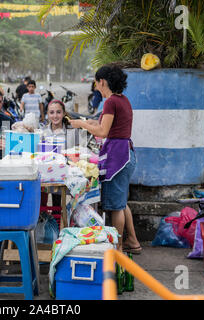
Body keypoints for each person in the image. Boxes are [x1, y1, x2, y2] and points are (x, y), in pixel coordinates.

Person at [69, 65, 141, 254]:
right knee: (121, 203)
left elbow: (103, 131)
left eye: (96, 81)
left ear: (102, 82)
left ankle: (116, 248)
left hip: (118, 157)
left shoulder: (110, 102)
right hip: (126, 155)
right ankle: (133, 241)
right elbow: (105, 124)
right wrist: (88, 121)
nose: (95, 85)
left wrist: (82, 124)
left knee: (116, 207)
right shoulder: (122, 100)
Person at [40, 99, 78, 215]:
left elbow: (76, 152)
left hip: (61, 175)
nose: (55, 116)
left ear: (64, 113)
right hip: (44, 175)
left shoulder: (72, 132)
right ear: (47, 114)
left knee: (57, 203)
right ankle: (44, 226)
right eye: (51, 112)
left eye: (58, 112)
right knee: (42, 204)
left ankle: (56, 226)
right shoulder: (42, 132)